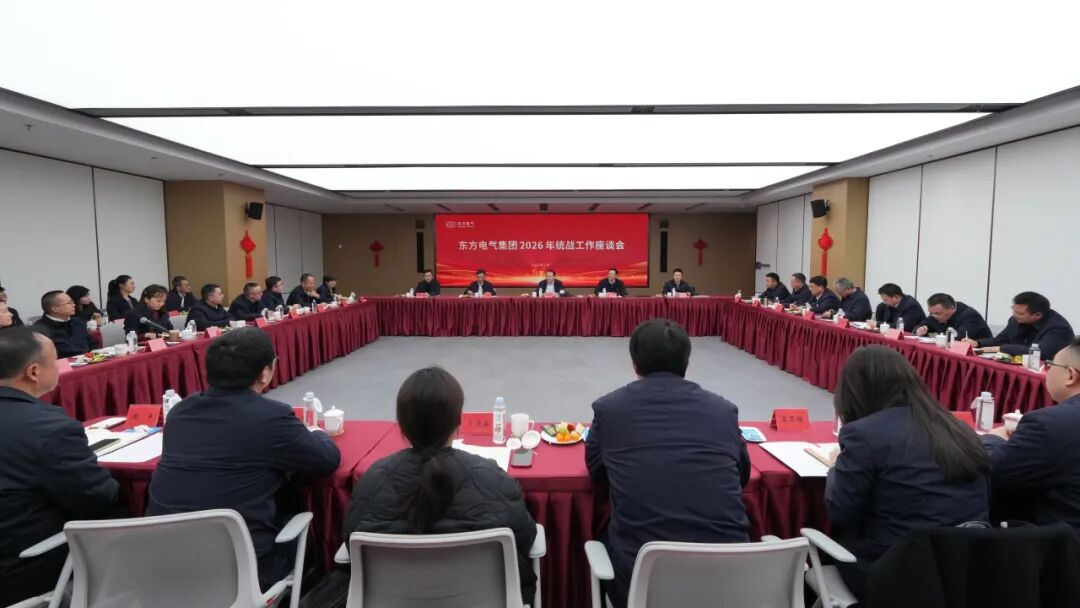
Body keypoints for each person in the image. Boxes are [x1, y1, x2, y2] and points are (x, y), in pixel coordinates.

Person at [148, 328, 340, 591]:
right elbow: (326, 460)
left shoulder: (180, 412)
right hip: (242, 569)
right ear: (265, 373)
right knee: (304, 539)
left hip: (163, 564)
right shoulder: (270, 417)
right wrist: (317, 432)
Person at [586, 319, 749, 608]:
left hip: (642, 585)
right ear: (686, 362)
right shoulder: (722, 411)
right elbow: (742, 475)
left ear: (635, 363)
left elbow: (597, 471)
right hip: (731, 583)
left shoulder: (610, 409)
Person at [341, 367, 537, 604]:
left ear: (402, 424)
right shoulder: (492, 478)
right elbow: (525, 538)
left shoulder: (373, 480)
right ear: (458, 420)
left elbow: (351, 543)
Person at [826, 345, 989, 599]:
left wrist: (835, 466)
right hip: (965, 572)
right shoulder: (957, 427)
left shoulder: (864, 434)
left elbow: (840, 512)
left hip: (894, 575)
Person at [0, 328, 118, 606]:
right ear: (33, 372)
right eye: (55, 361)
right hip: (23, 569)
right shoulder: (48, 428)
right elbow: (99, 497)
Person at [980, 337, 1080, 528]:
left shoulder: (1050, 424)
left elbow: (992, 474)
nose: (1046, 370)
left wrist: (995, 438)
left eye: (1050, 365)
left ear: (1070, 375)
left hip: (1056, 539)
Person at [965, 291, 1075, 360]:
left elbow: (1040, 353)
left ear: (1037, 315)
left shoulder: (1058, 328)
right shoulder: (1016, 320)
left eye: (1020, 313)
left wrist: (1001, 348)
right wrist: (978, 343)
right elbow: (1001, 339)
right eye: (1013, 311)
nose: (1014, 315)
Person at [31, 290, 91, 357]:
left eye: (72, 302)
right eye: (69, 303)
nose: (74, 305)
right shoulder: (38, 330)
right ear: (55, 309)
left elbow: (91, 342)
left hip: (88, 360)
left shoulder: (78, 322)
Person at [914, 293, 993, 340]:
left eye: (938, 314)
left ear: (952, 309)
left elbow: (958, 338)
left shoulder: (970, 316)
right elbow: (920, 325)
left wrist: (935, 336)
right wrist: (919, 330)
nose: (934, 316)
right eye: (931, 313)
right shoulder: (935, 313)